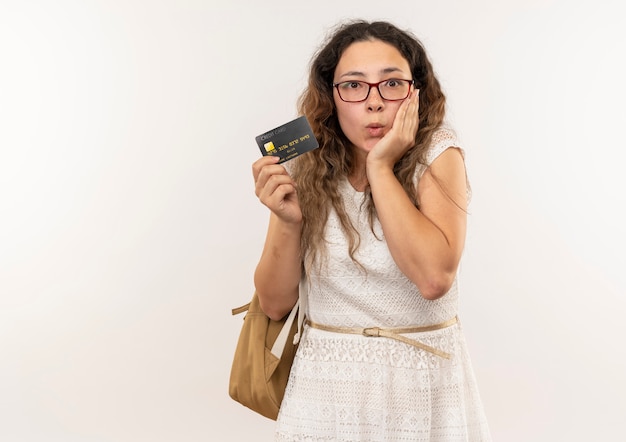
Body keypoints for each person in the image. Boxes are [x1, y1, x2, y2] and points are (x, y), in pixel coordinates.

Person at [252, 19, 491, 441]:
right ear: (332, 97)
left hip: (421, 384)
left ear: (415, 93)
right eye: (354, 85)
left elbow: (434, 277)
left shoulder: (438, 153)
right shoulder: (306, 166)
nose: (374, 102)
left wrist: (381, 165)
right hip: (324, 387)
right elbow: (273, 305)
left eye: (392, 83)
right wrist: (288, 222)